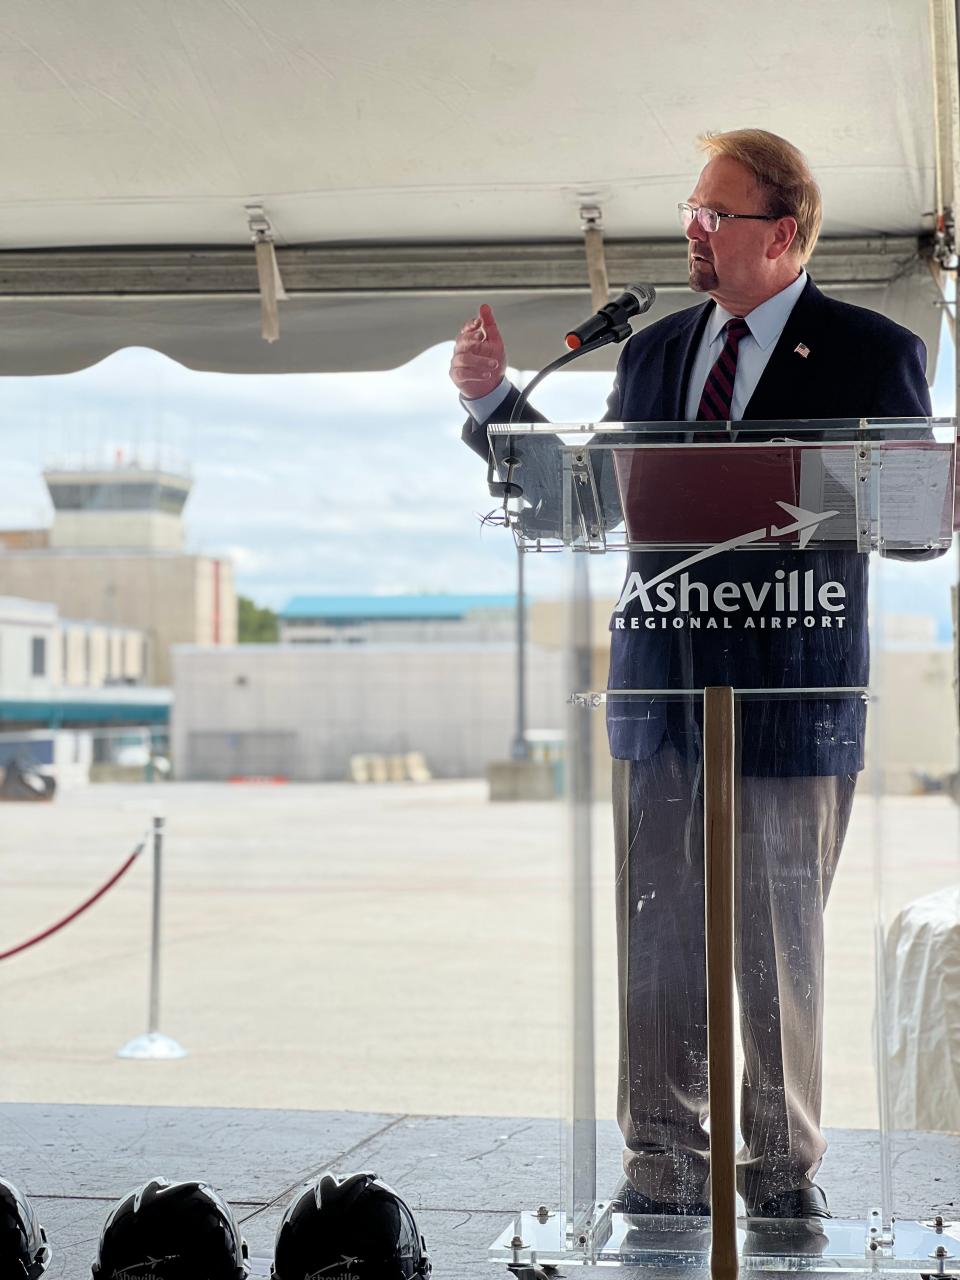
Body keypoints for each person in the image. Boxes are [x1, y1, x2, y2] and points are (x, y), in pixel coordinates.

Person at [450, 129, 933, 1220]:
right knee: (660, 941)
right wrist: (494, 407)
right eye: (691, 211)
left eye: (717, 215)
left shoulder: (870, 347)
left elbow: (912, 529)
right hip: (663, 687)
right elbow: (591, 505)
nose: (695, 233)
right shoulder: (658, 351)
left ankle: (777, 1171)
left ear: (788, 230)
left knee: (777, 948)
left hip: (789, 690)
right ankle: (660, 1162)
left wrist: (833, 497)